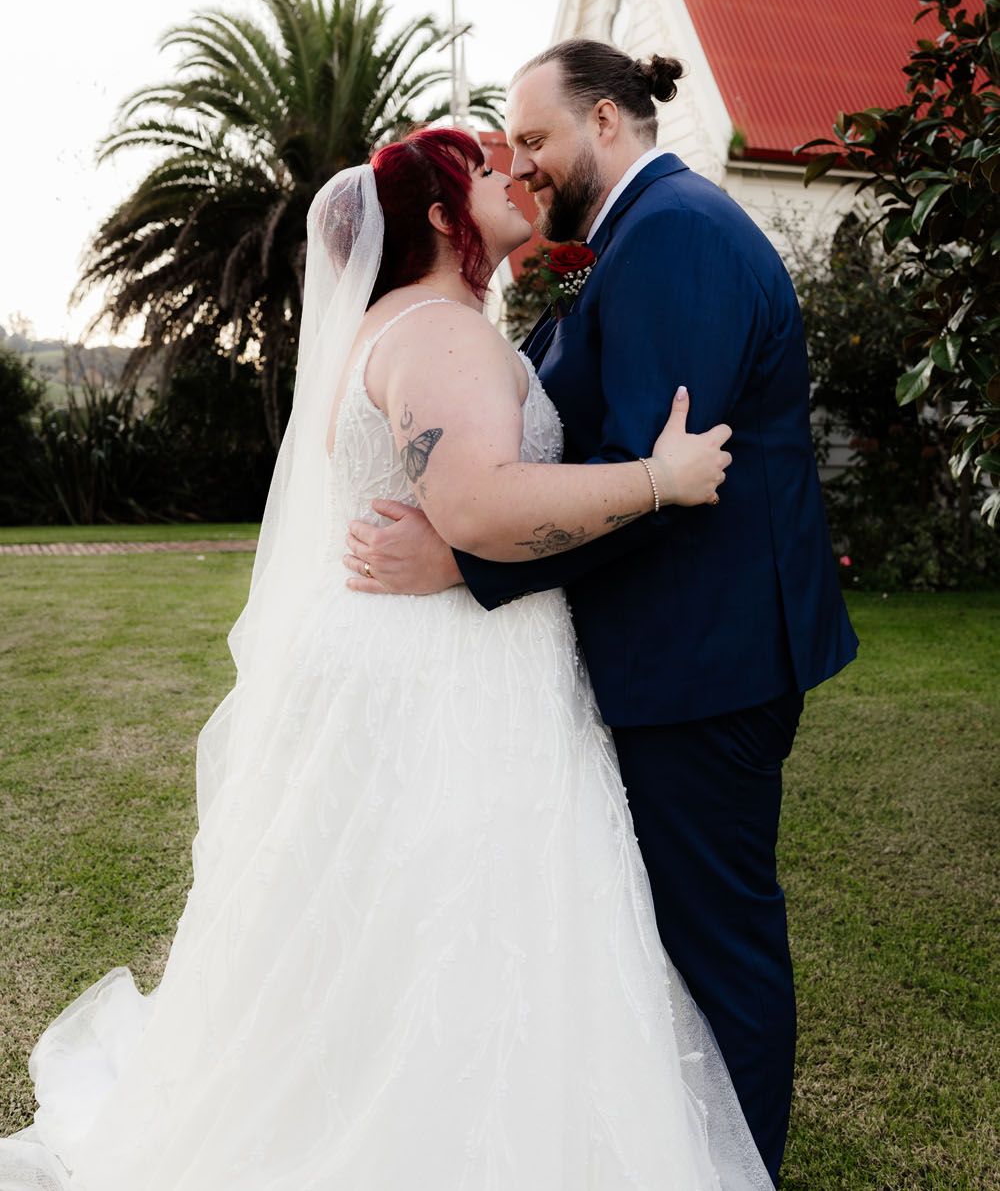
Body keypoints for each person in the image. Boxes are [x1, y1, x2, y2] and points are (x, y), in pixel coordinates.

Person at [0, 127, 775, 1191]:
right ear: (447, 216)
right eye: (485, 168)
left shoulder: (402, 324)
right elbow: (477, 507)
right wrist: (659, 477)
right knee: (447, 921)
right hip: (443, 676)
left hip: (404, 655)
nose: (513, 174)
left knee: (377, 927)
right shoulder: (438, 334)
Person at [345, 43, 859, 1185]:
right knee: (664, 940)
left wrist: (467, 565)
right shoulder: (631, 238)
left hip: (704, 660)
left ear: (612, 120)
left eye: (534, 139)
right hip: (675, 651)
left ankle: (741, 1167)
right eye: (506, 149)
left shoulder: (670, 234)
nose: (520, 165)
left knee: (717, 949)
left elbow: (658, 474)